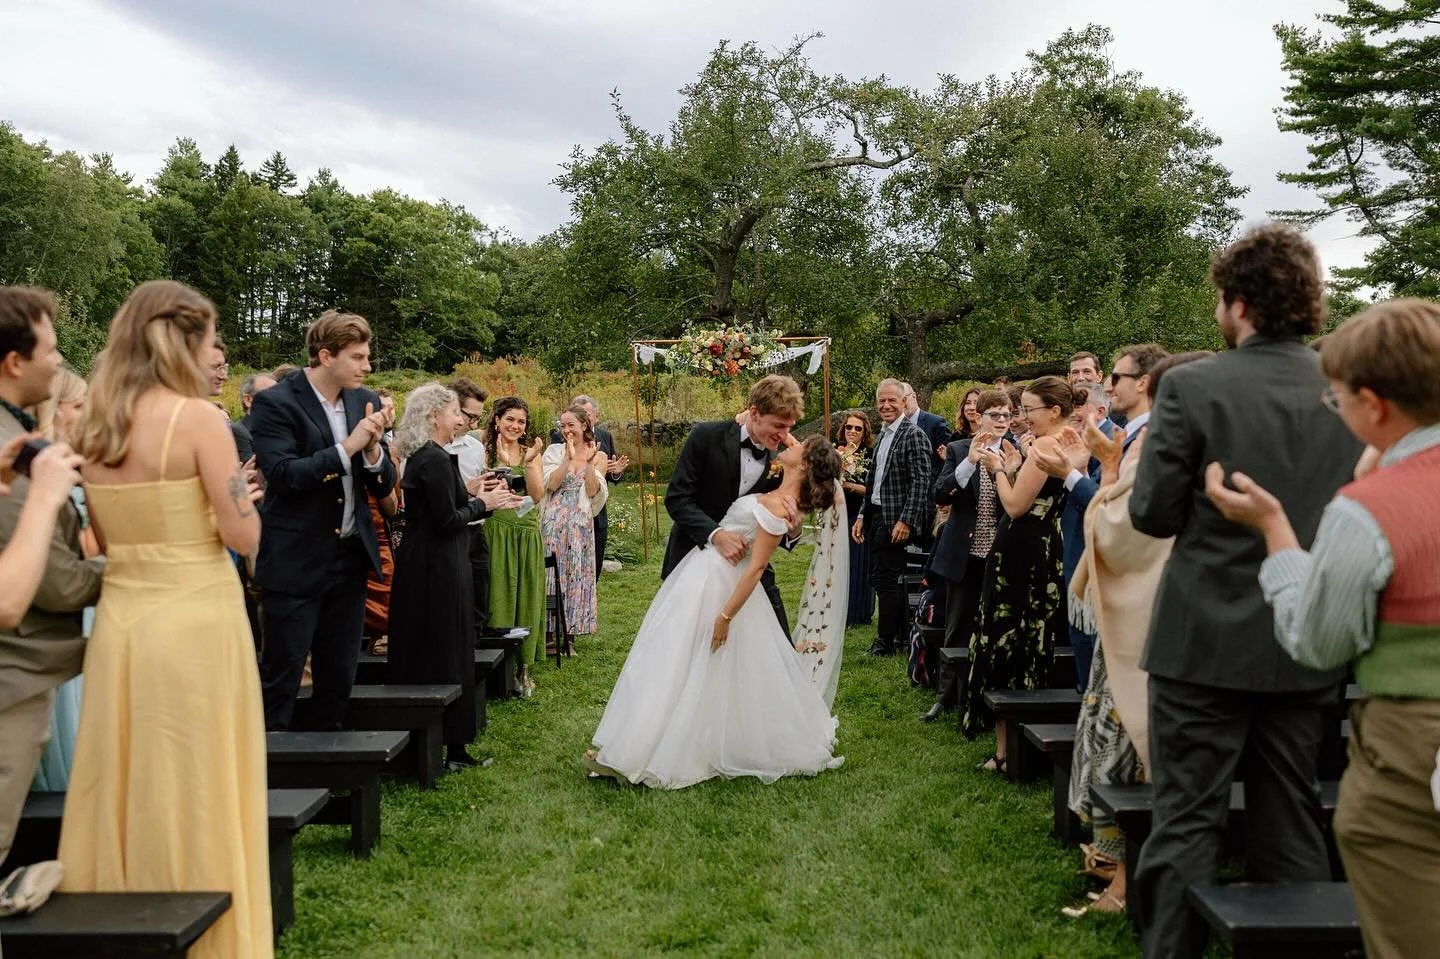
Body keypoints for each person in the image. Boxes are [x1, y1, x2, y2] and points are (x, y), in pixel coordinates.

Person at [1127, 223, 1363, 959]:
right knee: (1290, 814)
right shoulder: (1347, 391)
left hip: (1201, 638)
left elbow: (1151, 511)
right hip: (1308, 631)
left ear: (1235, 303)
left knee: (1186, 821)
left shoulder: (1195, 385)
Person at [1204, 298, 1440, 959]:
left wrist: (1276, 533)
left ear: (1373, 402)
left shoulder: (1372, 509)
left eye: (1337, 401)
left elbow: (1317, 640)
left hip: (1414, 746)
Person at [60, 279, 271, 958]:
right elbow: (245, 535)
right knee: (197, 775)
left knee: (129, 772)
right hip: (197, 619)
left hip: (125, 620)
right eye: (210, 340)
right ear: (181, 341)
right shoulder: (200, 420)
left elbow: (112, 541)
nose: (215, 355)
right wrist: (228, 508)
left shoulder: (96, 423)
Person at [585, 436, 847, 788]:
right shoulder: (774, 477)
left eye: (799, 443)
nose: (788, 437)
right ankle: (645, 739)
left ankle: (664, 747)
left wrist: (724, 617)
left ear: (804, 466)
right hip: (699, 572)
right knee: (672, 658)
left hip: (722, 585)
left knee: (695, 660)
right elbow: (800, 452)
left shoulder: (780, 506)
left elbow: (755, 570)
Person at [1059, 351, 1209, 918]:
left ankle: (1121, 873)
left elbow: (1123, 530)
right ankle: (1108, 858)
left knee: (1126, 743)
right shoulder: (1151, 440)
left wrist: (1101, 470)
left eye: (1114, 378)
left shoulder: (1155, 447)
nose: (1105, 386)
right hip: (1146, 607)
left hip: (1147, 613)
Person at [249, 310, 396, 731]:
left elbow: (383, 481)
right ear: (325, 355)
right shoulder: (276, 402)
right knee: (284, 672)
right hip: (296, 558)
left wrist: (373, 454)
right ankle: (271, 774)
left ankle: (329, 777)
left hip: (349, 557)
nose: (367, 366)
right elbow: (283, 475)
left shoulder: (360, 398)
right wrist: (349, 446)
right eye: (358, 357)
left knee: (338, 675)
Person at [0, 285, 101, 870]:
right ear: (15, 361)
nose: (59, 360)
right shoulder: (13, 446)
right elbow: (35, 589)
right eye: (52, 349)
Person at [388, 384, 520, 769]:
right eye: (453, 413)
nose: (460, 419)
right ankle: (444, 744)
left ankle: (453, 743)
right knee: (443, 646)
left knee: (454, 643)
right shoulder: (428, 459)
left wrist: (471, 492)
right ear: (434, 416)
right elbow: (445, 521)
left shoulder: (434, 457)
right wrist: (483, 503)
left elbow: (442, 505)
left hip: (442, 560)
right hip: (434, 567)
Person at [959, 376, 1080, 769]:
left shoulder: (1046, 444)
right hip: (1044, 547)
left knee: (1007, 638)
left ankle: (1006, 752)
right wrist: (1014, 465)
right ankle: (1016, 745)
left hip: (1021, 552)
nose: (1023, 418)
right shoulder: (1069, 443)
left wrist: (996, 468)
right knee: (1031, 638)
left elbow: (1013, 505)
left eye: (1029, 410)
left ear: (1055, 411)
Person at [664, 375, 804, 636]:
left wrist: (794, 531)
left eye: (789, 427)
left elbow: (771, 519)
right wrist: (716, 535)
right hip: (692, 563)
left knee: (779, 650)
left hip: (749, 572)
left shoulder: (781, 459)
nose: (786, 435)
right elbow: (677, 498)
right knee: (690, 648)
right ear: (754, 412)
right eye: (779, 426)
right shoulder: (706, 436)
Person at [924, 389, 1013, 722]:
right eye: (995, 415)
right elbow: (940, 492)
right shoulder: (961, 449)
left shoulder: (1014, 451)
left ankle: (986, 696)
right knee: (957, 624)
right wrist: (969, 463)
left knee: (992, 623)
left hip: (1000, 554)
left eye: (1007, 415)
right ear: (981, 417)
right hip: (964, 552)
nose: (1002, 421)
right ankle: (946, 695)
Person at [30, 366, 94, 793]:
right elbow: (75, 550)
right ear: (54, 411)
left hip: (83, 602)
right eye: (77, 405)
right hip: (65, 596)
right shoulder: (45, 467)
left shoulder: (75, 459)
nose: (86, 414)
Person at [852, 379, 932, 657]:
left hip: (896, 520)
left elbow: (922, 482)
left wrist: (906, 520)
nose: (886, 406)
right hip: (876, 516)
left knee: (887, 580)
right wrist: (863, 514)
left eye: (892, 401)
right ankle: (894, 636)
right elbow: (874, 481)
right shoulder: (883, 435)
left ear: (904, 402)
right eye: (881, 401)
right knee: (879, 577)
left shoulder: (914, 435)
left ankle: (885, 642)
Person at [483, 396, 547, 696]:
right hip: (496, 528)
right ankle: (496, 668)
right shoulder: (481, 449)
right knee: (498, 594)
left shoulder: (528, 452)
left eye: (521, 421)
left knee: (526, 597)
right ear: (496, 420)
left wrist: (530, 461)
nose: (515, 426)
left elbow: (535, 495)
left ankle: (523, 669)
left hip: (525, 529)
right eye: (510, 419)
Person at [541, 405, 608, 647]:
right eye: (563, 425)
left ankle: (569, 633)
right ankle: (548, 633)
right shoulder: (553, 452)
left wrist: (588, 464)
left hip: (580, 524)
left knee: (576, 573)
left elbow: (593, 492)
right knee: (552, 574)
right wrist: (568, 459)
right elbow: (549, 485)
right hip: (554, 521)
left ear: (584, 426)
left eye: (571, 425)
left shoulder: (596, 453)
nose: (566, 430)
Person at [551, 395, 628, 576]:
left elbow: (609, 472)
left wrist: (615, 472)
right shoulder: (559, 437)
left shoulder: (605, 436)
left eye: (587, 413)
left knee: (594, 567)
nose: (584, 416)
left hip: (596, 511)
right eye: (580, 413)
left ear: (595, 416)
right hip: (566, 513)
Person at [446, 378, 492, 635]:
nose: (474, 424)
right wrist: (467, 489)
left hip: (476, 530)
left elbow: (478, 486)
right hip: (448, 531)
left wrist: (491, 489)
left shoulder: (475, 447)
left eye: (478, 418)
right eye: (469, 416)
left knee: (479, 597)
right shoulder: (427, 446)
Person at [835, 410, 875, 627]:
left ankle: (857, 612)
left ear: (864, 432)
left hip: (858, 514)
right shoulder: (835, 452)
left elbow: (871, 489)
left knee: (858, 563)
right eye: (849, 427)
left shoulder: (870, 455)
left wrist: (849, 485)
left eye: (857, 428)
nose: (852, 431)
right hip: (838, 512)